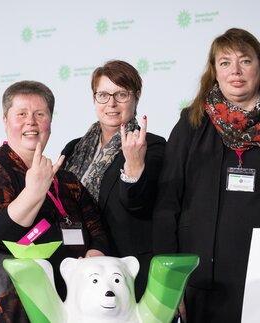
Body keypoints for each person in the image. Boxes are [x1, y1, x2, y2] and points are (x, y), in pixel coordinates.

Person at [153, 28, 260, 322]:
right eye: (225, 63)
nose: (235, 71)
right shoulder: (192, 122)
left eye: (245, 61)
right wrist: (169, 283)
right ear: (214, 71)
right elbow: (167, 204)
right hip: (207, 281)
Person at [0, 80, 109, 322]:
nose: (31, 121)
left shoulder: (66, 178)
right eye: (21, 114)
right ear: (5, 121)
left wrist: (94, 253)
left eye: (40, 114)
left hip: (53, 304)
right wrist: (33, 192)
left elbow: (97, 230)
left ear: (50, 121)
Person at [61, 59, 165, 300]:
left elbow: (139, 204)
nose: (111, 104)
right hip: (81, 270)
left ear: (136, 97)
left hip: (127, 271)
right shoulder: (74, 148)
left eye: (121, 94)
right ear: (94, 98)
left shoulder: (154, 147)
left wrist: (134, 166)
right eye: (103, 95)